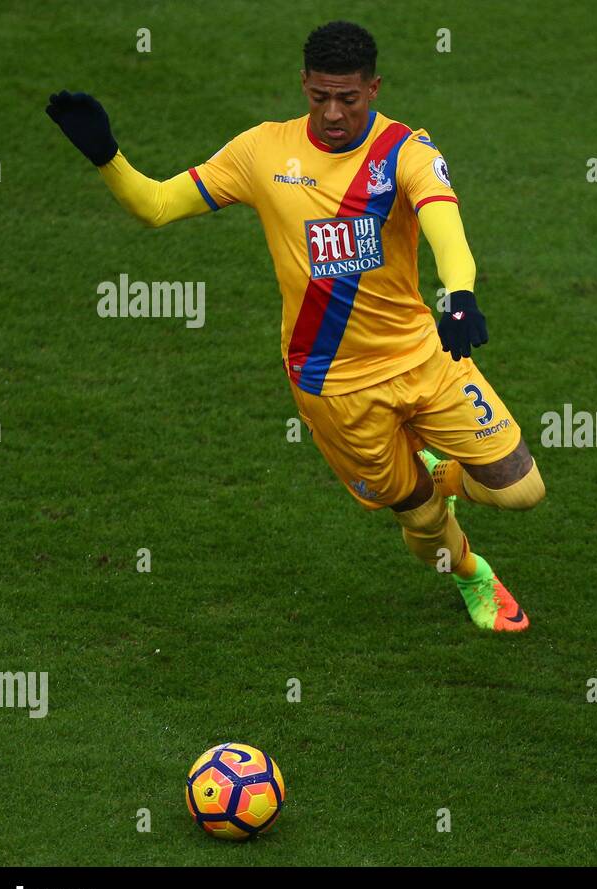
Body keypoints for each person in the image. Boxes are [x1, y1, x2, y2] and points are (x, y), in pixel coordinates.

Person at [46, 21, 543, 632]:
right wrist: (107, 158)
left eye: (349, 99)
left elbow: (446, 227)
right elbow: (156, 206)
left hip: (423, 358)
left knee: (522, 491)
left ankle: (439, 470)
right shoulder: (261, 152)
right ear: (304, 84)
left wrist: (460, 295)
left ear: (374, 88)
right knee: (419, 518)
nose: (333, 113)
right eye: (320, 97)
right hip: (332, 385)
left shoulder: (404, 153)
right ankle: (473, 576)